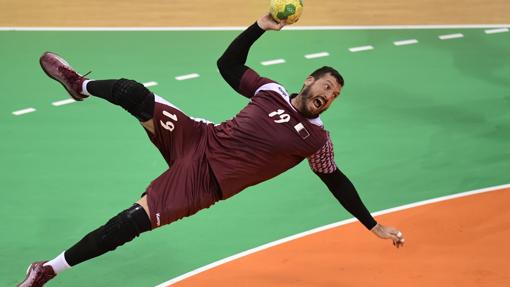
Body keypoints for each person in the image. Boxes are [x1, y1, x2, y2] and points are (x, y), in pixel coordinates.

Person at [17, 13, 405, 287]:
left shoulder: (317, 140)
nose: (327, 95)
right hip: (197, 137)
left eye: (334, 95)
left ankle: (47, 270)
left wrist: (372, 225)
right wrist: (259, 27)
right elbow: (228, 64)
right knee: (131, 92)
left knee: (130, 222)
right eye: (325, 87)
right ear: (309, 81)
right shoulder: (269, 91)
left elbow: (336, 181)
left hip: (205, 181)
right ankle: (78, 87)